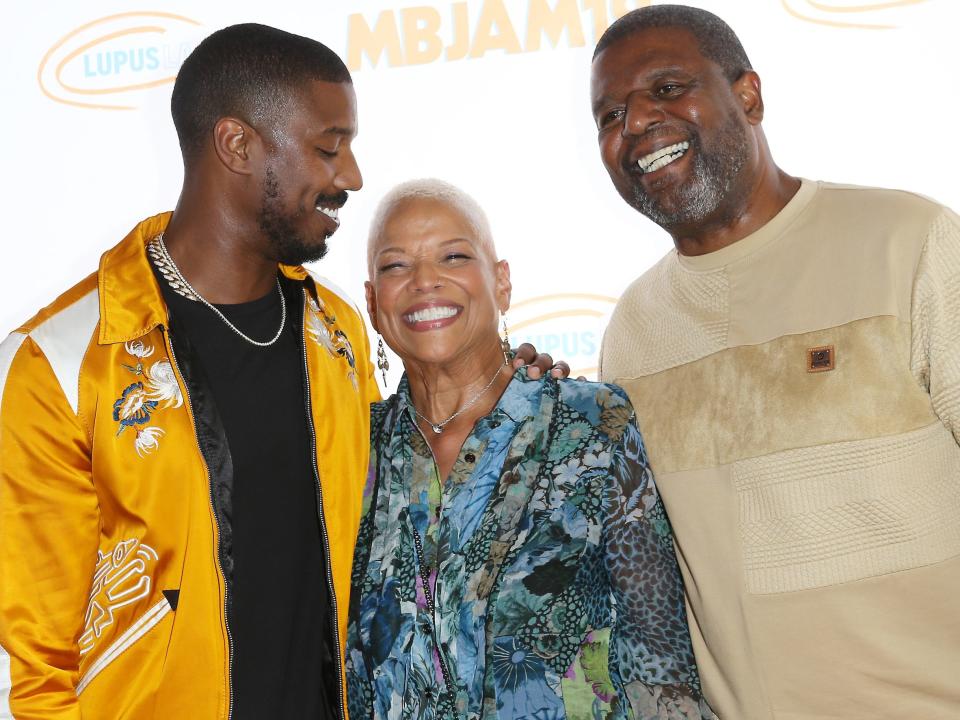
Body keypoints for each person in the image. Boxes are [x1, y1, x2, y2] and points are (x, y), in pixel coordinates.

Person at [0, 24, 557, 719]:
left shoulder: (340, 331)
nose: (351, 177)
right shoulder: (63, 359)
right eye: (328, 148)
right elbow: (37, 664)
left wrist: (512, 395)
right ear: (237, 145)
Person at [590, 5, 960, 719]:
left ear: (749, 96)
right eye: (608, 116)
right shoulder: (632, 331)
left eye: (665, 89)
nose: (634, 123)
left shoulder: (909, 242)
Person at [345, 178, 714, 720]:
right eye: (396, 265)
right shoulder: (349, 450)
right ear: (373, 302)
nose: (425, 281)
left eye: (453, 255)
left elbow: (658, 657)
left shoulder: (593, 424)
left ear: (501, 283)